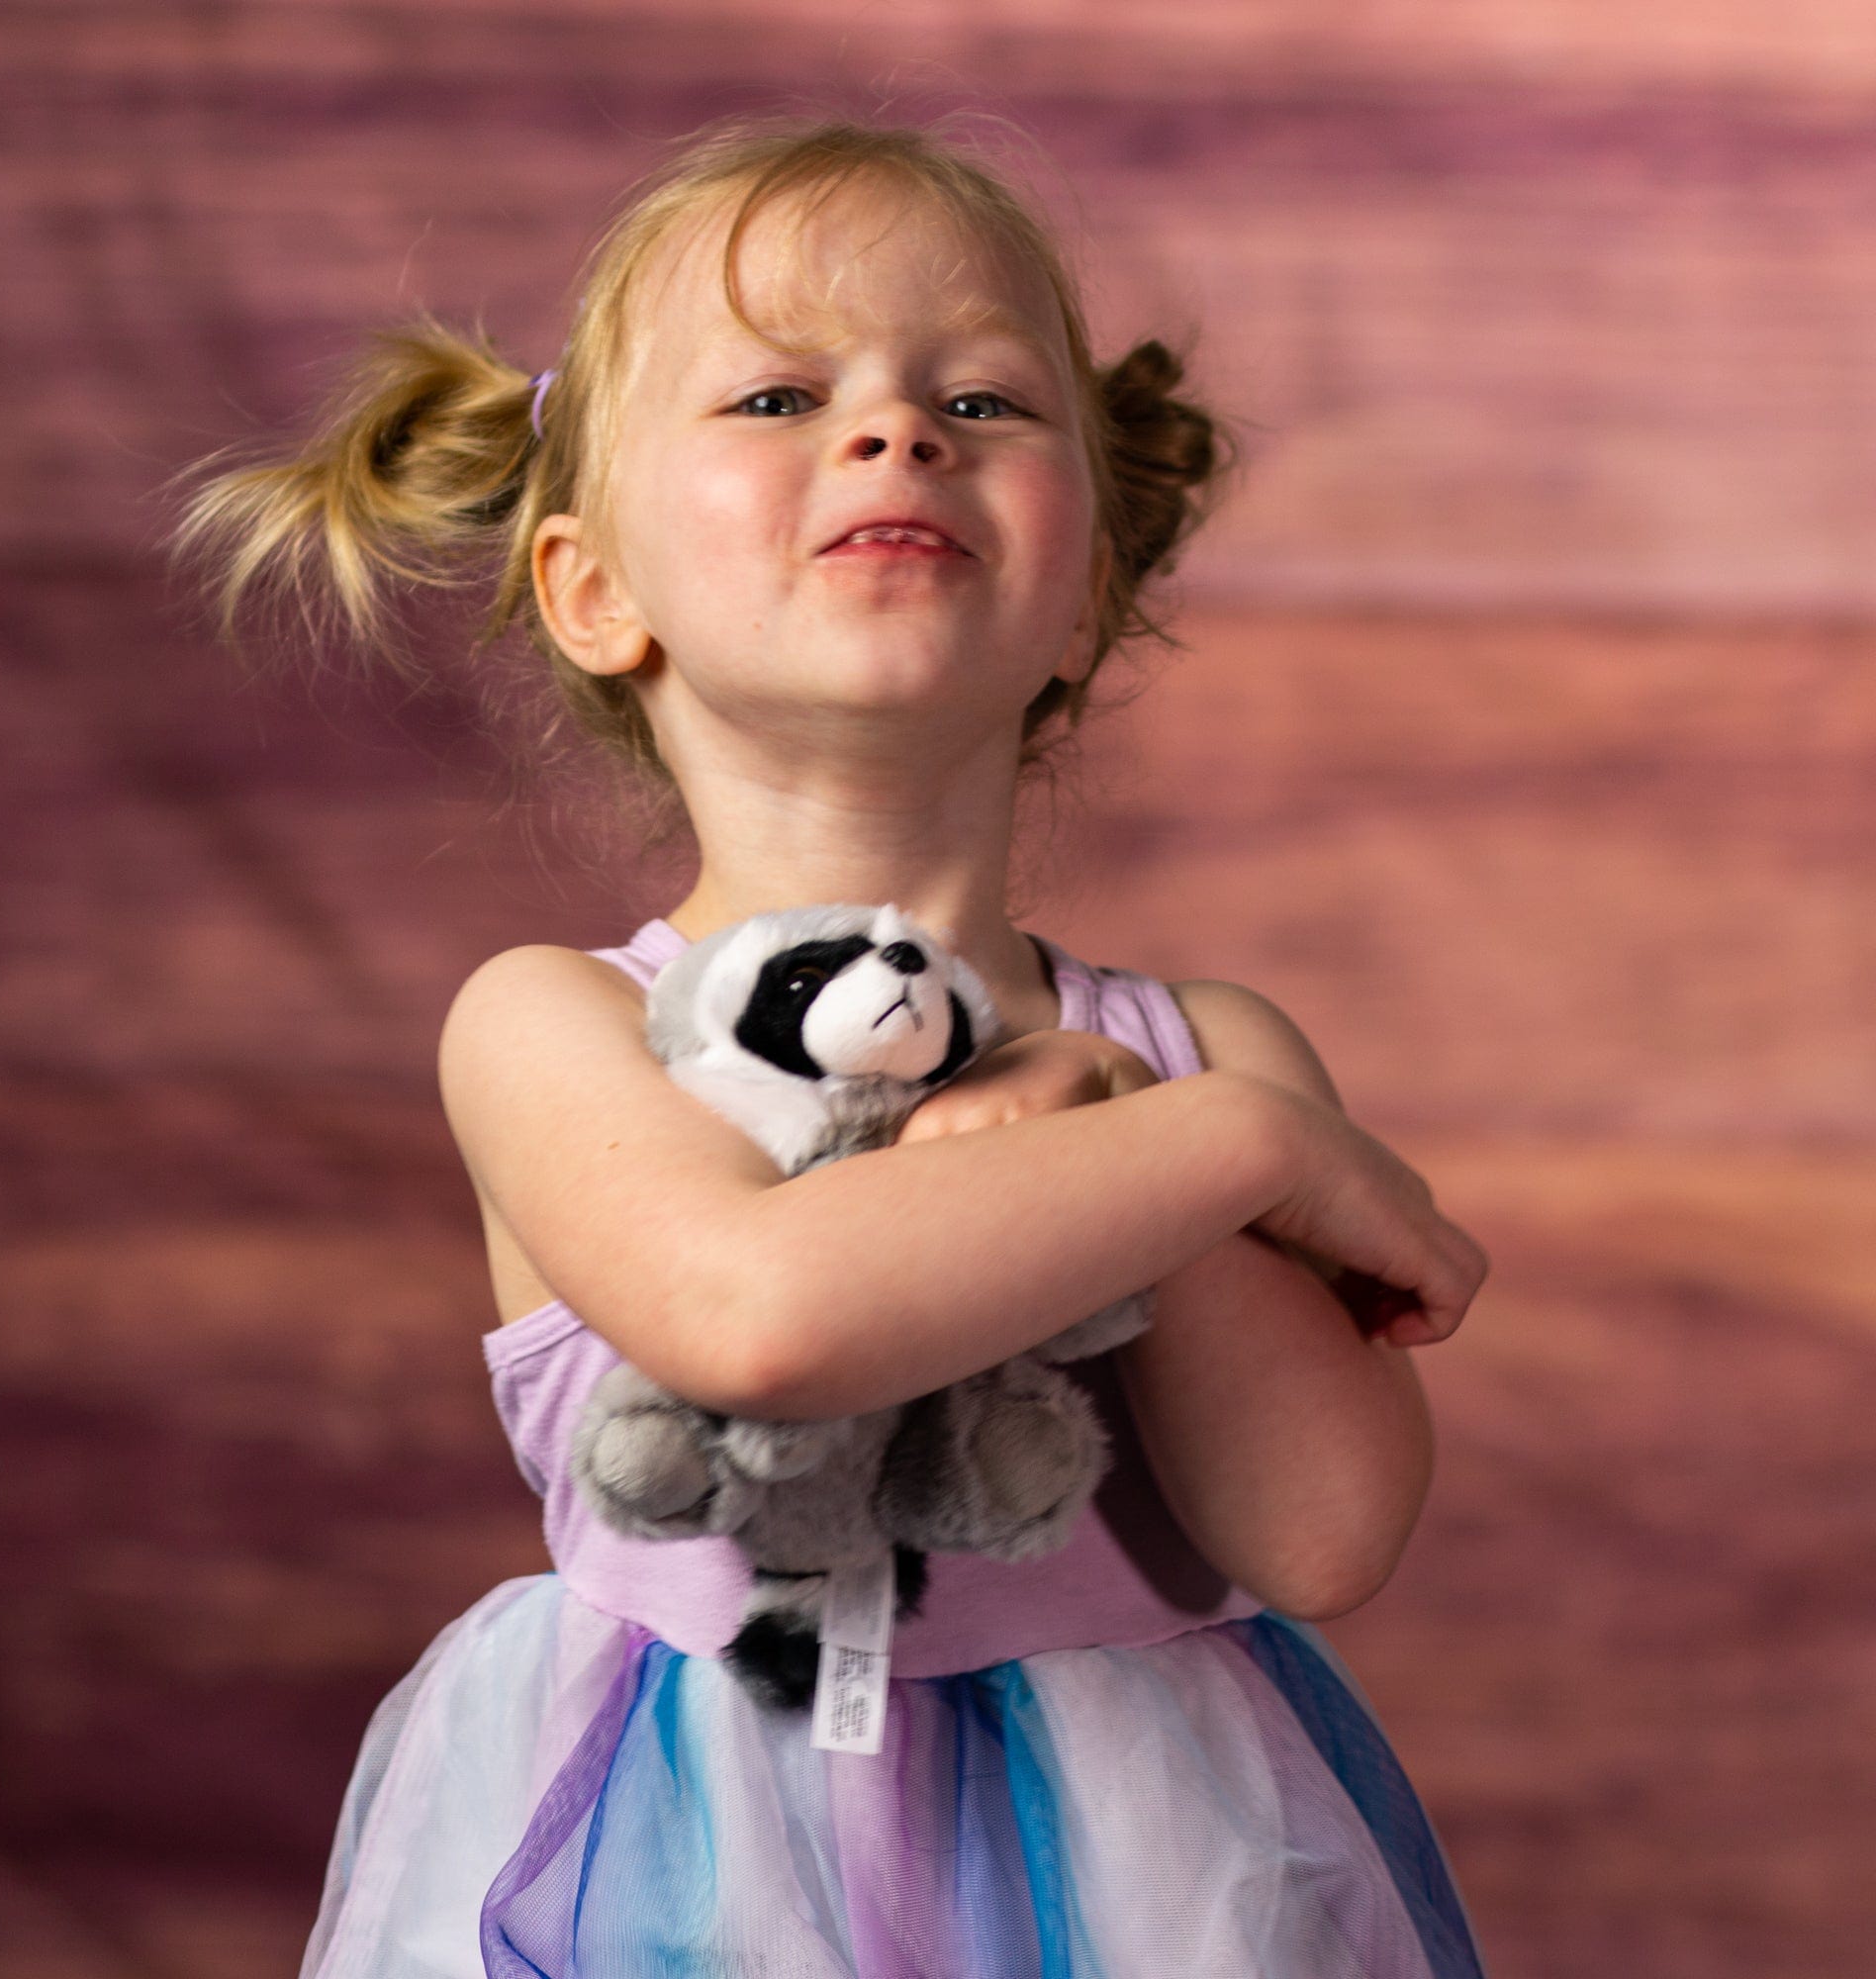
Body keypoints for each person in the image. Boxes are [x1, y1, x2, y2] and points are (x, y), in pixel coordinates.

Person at [173, 112, 1490, 1978]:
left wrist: (1132, 1099)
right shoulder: (558, 1025)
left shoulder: (1200, 1043)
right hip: (697, 1888)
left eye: (982, 400)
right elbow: (762, 1320)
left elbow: (1327, 1532)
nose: (895, 432)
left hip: (1153, 1888)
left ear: (1085, 594)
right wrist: (1231, 1150)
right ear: (594, 590)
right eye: (780, 399)